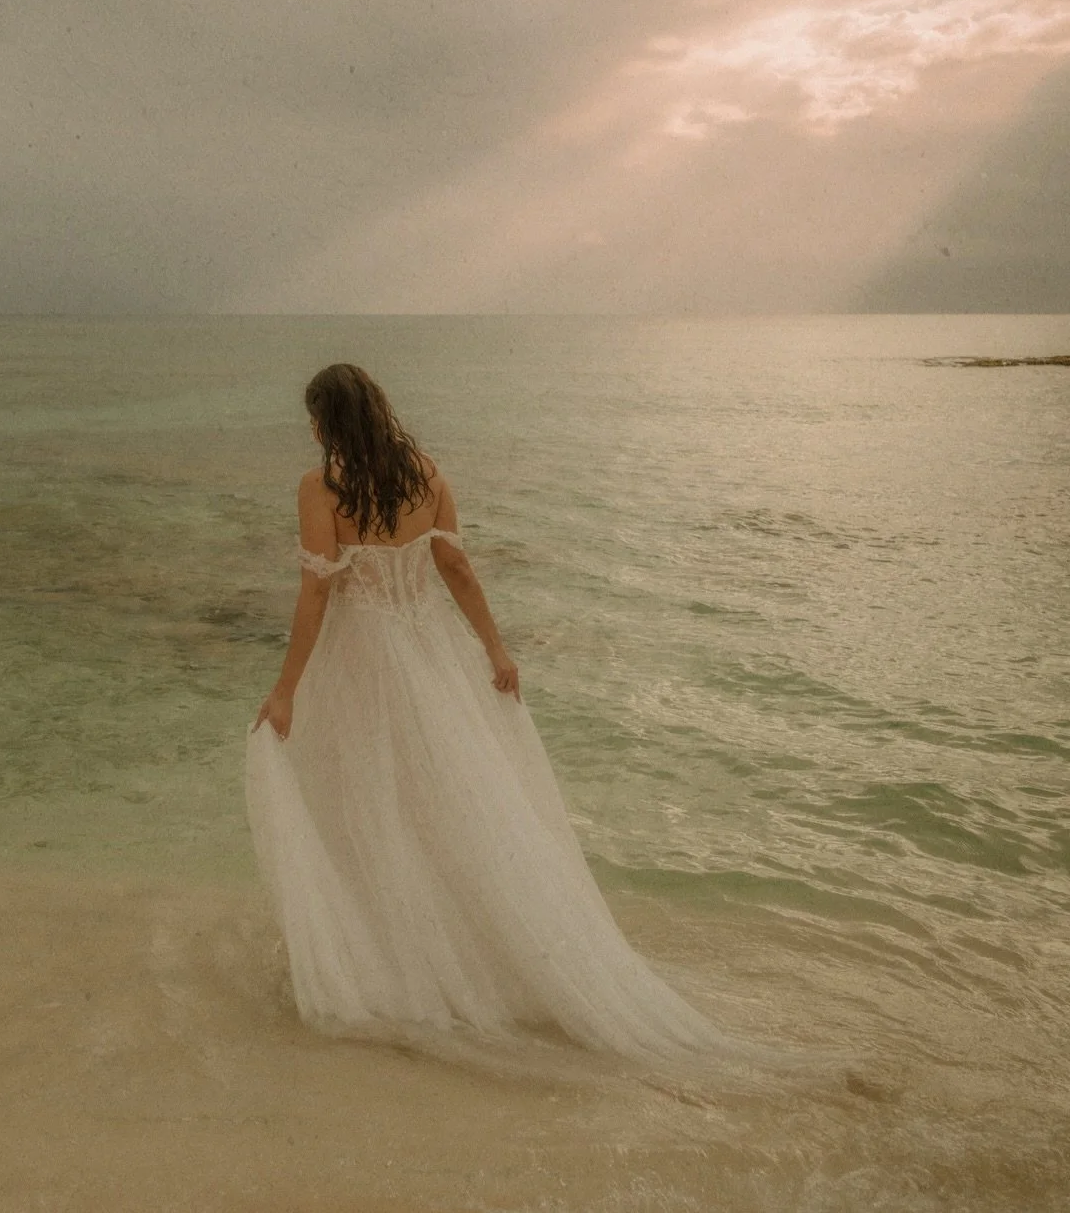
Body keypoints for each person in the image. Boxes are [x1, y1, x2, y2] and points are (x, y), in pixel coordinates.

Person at [245, 361, 757, 1070]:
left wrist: (286, 689)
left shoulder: (321, 488)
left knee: (369, 800)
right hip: (431, 652)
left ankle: (395, 956)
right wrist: (494, 649)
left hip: (361, 658)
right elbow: (457, 570)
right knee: (447, 802)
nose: (309, 430)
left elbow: (316, 594)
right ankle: (461, 948)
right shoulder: (427, 474)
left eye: (312, 419)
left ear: (327, 422)